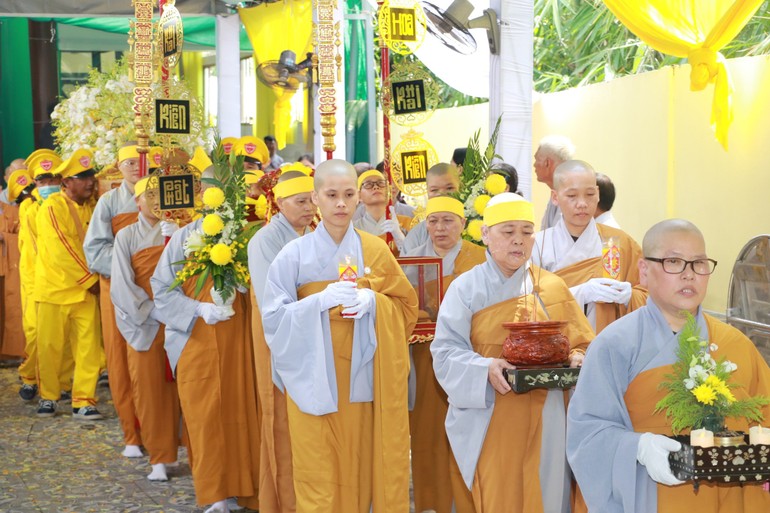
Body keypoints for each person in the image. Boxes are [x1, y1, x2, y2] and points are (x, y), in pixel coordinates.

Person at [567, 219, 770, 512]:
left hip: (730, 500)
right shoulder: (615, 344)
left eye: (699, 263)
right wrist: (638, 447)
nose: (690, 275)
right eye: (673, 262)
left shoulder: (736, 344)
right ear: (644, 272)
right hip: (651, 497)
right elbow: (586, 435)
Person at [262, 159, 418, 513]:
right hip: (312, 379)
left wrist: (374, 303)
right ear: (315, 198)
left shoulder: (376, 250)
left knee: (360, 465)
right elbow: (272, 318)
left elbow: (406, 308)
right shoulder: (294, 255)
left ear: (359, 197)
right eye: (331, 195)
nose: (341, 204)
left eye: (349, 194)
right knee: (317, 470)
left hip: (362, 381)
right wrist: (318, 302)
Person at [431, 193, 594, 513]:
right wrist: (484, 367)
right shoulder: (465, 288)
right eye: (508, 232)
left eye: (526, 231)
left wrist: (579, 356)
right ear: (485, 235)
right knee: (498, 494)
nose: (519, 241)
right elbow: (445, 351)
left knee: (548, 492)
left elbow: (584, 342)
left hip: (549, 414)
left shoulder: (552, 287)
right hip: (491, 412)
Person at [151, 166, 260, 513]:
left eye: (230, 191)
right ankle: (213, 493)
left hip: (240, 340)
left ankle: (243, 488)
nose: (222, 198)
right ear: (202, 193)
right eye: (215, 190)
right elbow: (160, 291)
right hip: (195, 339)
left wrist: (245, 285)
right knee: (204, 416)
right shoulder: (184, 237)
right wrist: (199, 310)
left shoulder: (248, 237)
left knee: (241, 412)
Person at [402, 196, 485, 513]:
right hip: (425, 360)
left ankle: (470, 503)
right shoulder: (409, 261)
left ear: (463, 224)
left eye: (448, 220)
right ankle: (430, 503)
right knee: (426, 434)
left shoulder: (479, 258)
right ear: (426, 225)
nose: (440, 228)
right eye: (434, 221)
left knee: (469, 432)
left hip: (468, 357)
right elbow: (401, 307)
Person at [247, 170, 316, 512]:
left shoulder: (313, 234)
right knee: (282, 419)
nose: (309, 208)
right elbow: (273, 300)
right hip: (279, 337)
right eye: (300, 202)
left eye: (311, 200)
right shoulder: (264, 240)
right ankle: (284, 502)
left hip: (312, 337)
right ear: (279, 202)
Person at [110, 177, 181, 482]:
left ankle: (195, 451)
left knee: (187, 390)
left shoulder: (179, 230)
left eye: (158, 195)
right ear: (136, 202)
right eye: (147, 196)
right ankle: (159, 458)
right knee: (150, 391)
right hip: (147, 323)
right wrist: (153, 310)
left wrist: (177, 238)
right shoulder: (126, 236)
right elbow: (122, 284)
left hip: (180, 320)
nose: (154, 201)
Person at [83, 143, 150, 458]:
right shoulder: (109, 201)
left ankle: (161, 430)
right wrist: (129, 266)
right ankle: (132, 433)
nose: (136, 168)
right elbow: (95, 249)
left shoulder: (159, 196)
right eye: (129, 163)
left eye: (140, 162)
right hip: (117, 289)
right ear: (118, 168)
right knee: (122, 359)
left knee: (156, 358)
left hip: (154, 286)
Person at [533, 160, 646, 333]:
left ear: (598, 194)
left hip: (609, 348)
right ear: (555, 197)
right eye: (572, 196)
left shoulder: (621, 243)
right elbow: (527, 307)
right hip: (556, 349)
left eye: (590, 194)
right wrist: (580, 293)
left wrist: (630, 297)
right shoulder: (537, 246)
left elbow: (651, 294)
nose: (582, 203)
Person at [34, 148, 104, 420]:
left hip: (85, 292)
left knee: (88, 347)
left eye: (90, 175)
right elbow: (62, 248)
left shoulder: (91, 206)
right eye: (82, 176)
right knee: (50, 347)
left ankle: (84, 400)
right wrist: (90, 280)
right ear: (65, 182)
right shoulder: (52, 207)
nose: (89, 181)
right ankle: (49, 396)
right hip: (55, 290)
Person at [16, 150, 74, 402]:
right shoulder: (29, 208)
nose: (48, 185)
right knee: (36, 333)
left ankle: (62, 382)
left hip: (66, 279)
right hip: (36, 278)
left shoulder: (67, 203)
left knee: (67, 336)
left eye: (52, 180)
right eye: (41, 181)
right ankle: (30, 378)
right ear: (35, 183)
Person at [0, 168, 34, 359]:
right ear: (6, 178)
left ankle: (19, 351)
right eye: (14, 173)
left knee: (18, 305)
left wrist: (7, 237)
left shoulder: (31, 204)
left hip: (20, 262)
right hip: (5, 261)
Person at [402, 163, 460, 253]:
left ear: (461, 187)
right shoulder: (417, 234)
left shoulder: (475, 225)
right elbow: (408, 265)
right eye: (434, 190)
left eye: (449, 188)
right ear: (427, 192)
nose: (441, 194)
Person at [352, 169, 411, 253]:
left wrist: (399, 236)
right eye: (368, 185)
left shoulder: (406, 222)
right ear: (359, 196)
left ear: (388, 191)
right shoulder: (354, 229)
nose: (376, 187)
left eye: (381, 183)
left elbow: (415, 257)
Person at [533, 135, 575, 230]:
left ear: (547, 163)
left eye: (537, 160)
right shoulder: (556, 190)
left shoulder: (572, 195)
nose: (534, 165)